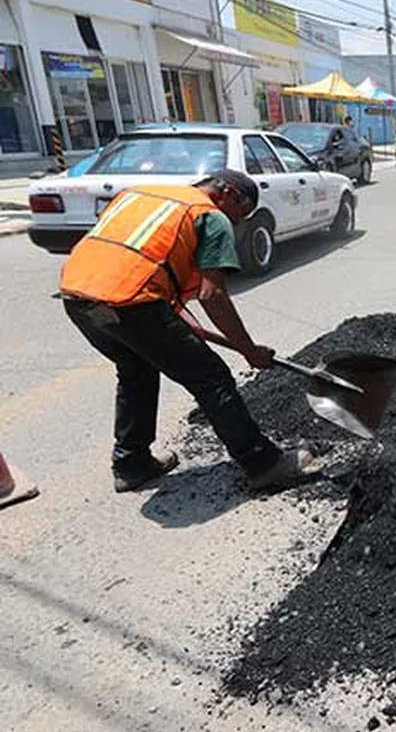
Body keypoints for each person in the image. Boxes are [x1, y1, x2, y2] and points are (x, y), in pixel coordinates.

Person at [59, 170, 312, 492]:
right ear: (229, 194)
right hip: (133, 303)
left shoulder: (142, 194)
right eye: (241, 215)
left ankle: (131, 463)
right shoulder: (209, 215)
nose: (237, 224)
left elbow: (139, 260)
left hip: (79, 297)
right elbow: (212, 294)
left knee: (136, 368)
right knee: (211, 377)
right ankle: (263, 463)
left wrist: (174, 321)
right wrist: (248, 349)